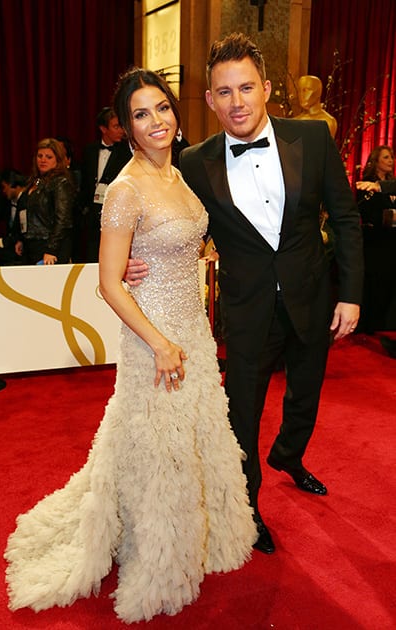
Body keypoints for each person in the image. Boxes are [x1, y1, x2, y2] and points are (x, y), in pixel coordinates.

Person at [4, 68, 256, 623]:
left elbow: (183, 233)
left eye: (161, 108)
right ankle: (160, 557)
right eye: (140, 115)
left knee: (188, 438)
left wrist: (201, 248)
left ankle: (202, 534)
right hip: (154, 340)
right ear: (126, 127)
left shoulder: (180, 174)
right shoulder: (124, 188)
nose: (156, 121)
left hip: (192, 328)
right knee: (159, 449)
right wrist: (160, 343)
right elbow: (109, 282)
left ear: (174, 111)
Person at [126, 33, 364, 555]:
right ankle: (248, 505)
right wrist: (130, 255)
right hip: (246, 306)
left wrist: (350, 293)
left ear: (267, 89)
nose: (238, 102)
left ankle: (290, 453)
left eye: (247, 88)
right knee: (243, 412)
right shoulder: (192, 161)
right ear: (209, 99)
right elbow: (163, 213)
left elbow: (345, 217)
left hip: (311, 295)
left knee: (306, 394)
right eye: (225, 92)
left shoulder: (313, 139)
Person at [78, 107, 133, 262]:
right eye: (116, 126)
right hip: (92, 216)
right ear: (103, 129)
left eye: (122, 126)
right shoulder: (90, 150)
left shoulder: (127, 152)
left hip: (116, 212)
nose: (121, 130)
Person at [355, 146, 396, 334]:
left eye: (392, 157)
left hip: (391, 244)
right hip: (375, 243)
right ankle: (367, 325)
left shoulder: (390, 184)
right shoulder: (367, 185)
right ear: (376, 161)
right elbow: (368, 214)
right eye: (386, 157)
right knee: (373, 284)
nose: (391, 160)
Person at [17, 138, 76, 264]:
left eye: (49, 157)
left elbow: (63, 219)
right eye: (40, 156)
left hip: (50, 245)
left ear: (58, 159)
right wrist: (20, 239)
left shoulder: (61, 182)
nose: (43, 160)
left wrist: (51, 249)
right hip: (31, 244)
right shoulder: (34, 181)